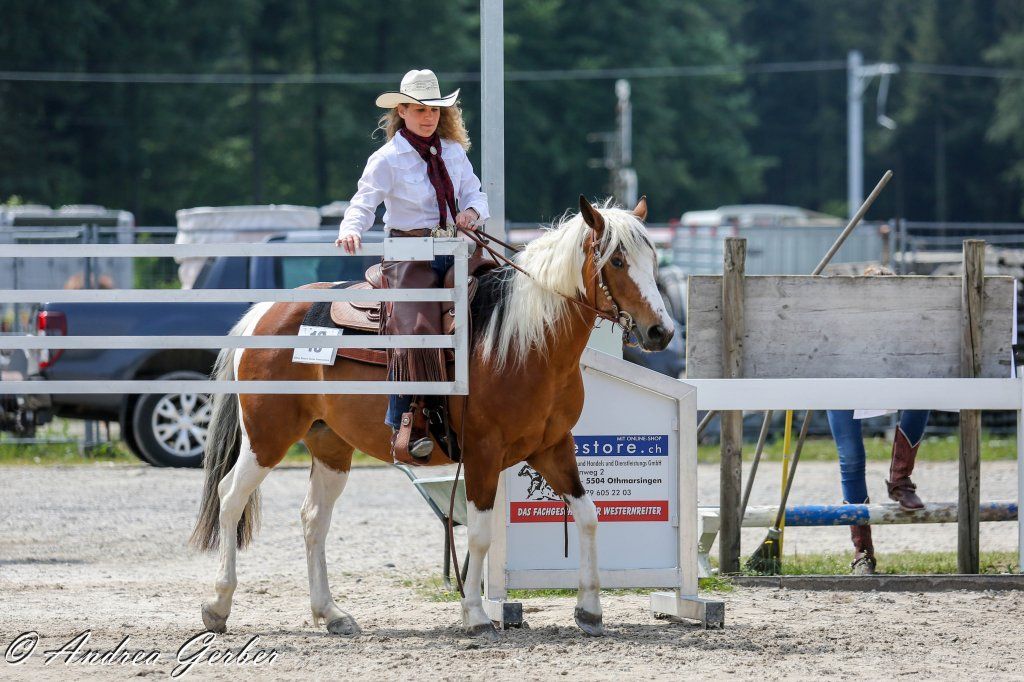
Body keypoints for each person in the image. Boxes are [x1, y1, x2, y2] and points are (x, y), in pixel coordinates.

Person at [335, 69, 488, 464]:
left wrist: (471, 210)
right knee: (417, 328)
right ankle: (406, 417)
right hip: (409, 253)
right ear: (401, 111)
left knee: (493, 304)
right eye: (418, 109)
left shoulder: (453, 152)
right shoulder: (387, 158)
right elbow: (364, 201)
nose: (427, 117)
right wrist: (351, 230)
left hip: (457, 248)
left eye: (434, 110)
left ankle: (489, 404)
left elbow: (475, 192)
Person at [826, 266, 928, 575]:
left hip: (891, 375)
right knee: (852, 459)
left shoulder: (906, 331)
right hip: (841, 381)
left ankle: (900, 480)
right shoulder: (843, 324)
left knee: (922, 396)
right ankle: (862, 551)